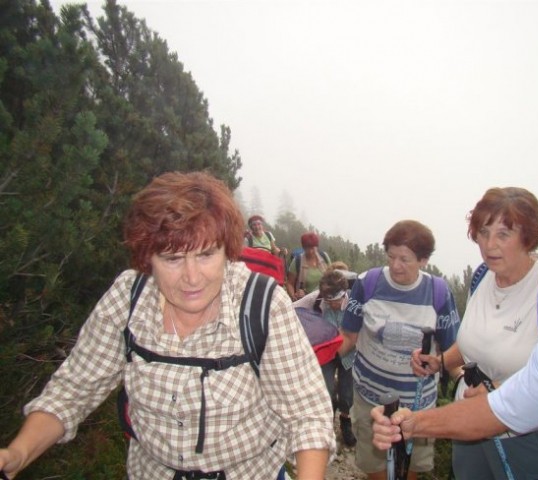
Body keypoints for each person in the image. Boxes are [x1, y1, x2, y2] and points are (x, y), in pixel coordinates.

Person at [0, 171, 335, 480]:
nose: (191, 278)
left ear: (228, 252)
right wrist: (19, 452)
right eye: (172, 258)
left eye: (206, 255)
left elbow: (307, 414)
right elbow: (74, 390)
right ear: (148, 259)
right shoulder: (129, 299)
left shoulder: (261, 305)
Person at [371, 196, 538, 480]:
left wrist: (493, 387)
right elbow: (499, 409)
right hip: (475, 419)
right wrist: (410, 423)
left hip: (525, 440)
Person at [410, 187, 538, 480]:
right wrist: (440, 362)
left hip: (523, 435)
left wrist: (500, 391)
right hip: (470, 422)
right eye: (483, 232)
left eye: (503, 234)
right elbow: (473, 345)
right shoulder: (482, 277)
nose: (489, 245)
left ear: (528, 237)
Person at [340, 220, 460, 480]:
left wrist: (449, 369)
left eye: (405, 259)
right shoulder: (367, 284)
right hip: (370, 397)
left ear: (424, 260)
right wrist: (316, 364)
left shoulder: (438, 293)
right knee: (376, 470)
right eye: (391, 256)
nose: (395, 265)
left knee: (409, 472)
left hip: (418, 404)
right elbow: (348, 335)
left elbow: (452, 349)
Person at [294, 267, 358, 447]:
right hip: (326, 353)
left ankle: (345, 419)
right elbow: (291, 309)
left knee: (347, 394)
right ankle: (327, 420)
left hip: (349, 353)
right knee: (325, 390)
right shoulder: (316, 299)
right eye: (328, 301)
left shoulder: (355, 303)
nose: (331, 305)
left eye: (335, 301)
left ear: (343, 294)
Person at [286, 232, 330, 300]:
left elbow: (332, 277)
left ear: (316, 246)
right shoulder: (297, 261)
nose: (310, 251)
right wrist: (293, 296)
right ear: (303, 247)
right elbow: (289, 283)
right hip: (305, 300)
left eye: (313, 248)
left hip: (324, 299)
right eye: (307, 248)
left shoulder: (324, 257)